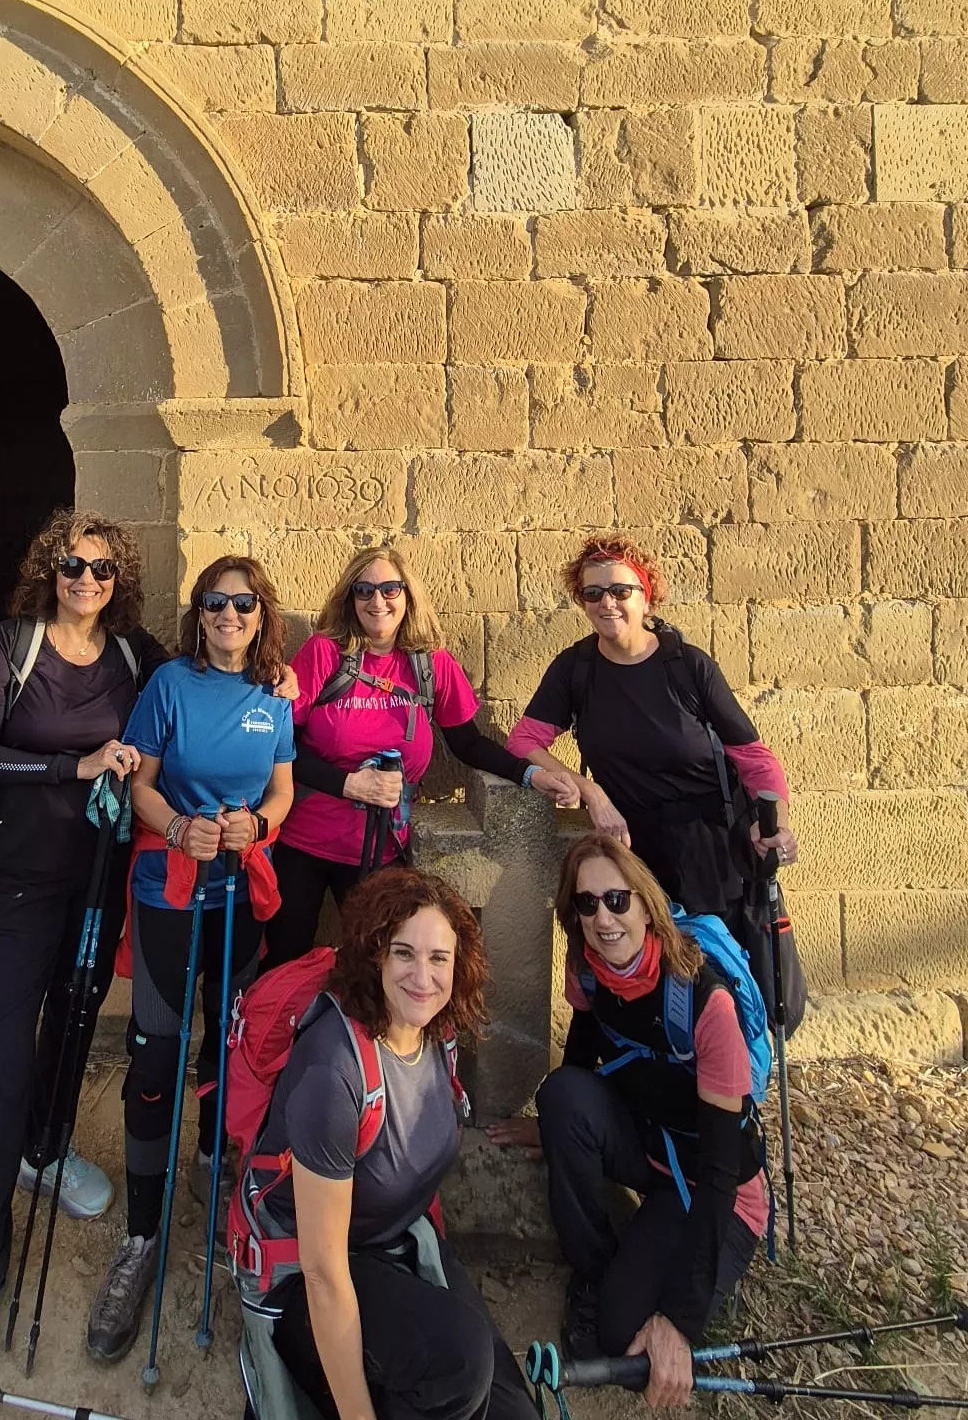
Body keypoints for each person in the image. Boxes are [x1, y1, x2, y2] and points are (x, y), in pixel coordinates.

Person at [0, 509, 168, 1408]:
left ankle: (48, 1149)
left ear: (118, 578)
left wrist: (282, 683)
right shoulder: (13, 645)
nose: (87, 580)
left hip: (99, 882)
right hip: (20, 887)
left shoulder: (136, 653)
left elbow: (214, 675)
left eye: (102, 569)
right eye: (72, 565)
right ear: (48, 568)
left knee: (72, 1024)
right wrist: (73, 767)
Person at [85, 555, 297, 1365]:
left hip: (239, 892)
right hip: (170, 890)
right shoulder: (170, 685)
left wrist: (262, 829)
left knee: (230, 1042)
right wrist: (176, 827)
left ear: (259, 612)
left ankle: (214, 1170)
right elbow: (138, 782)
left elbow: (281, 790)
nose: (229, 615)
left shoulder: (270, 696)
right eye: (216, 604)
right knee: (157, 1053)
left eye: (243, 603)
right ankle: (141, 1236)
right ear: (199, 614)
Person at [251, 867, 533, 1420]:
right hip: (305, 1287)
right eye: (404, 954)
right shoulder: (334, 1071)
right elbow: (324, 1273)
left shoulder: (435, 1031)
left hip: (395, 1242)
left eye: (438, 959)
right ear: (375, 955)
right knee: (461, 1362)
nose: (422, 977)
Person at [516, 836, 769, 1412]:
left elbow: (722, 1171)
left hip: (715, 1189)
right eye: (586, 905)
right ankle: (595, 1268)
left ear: (645, 903)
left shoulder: (705, 1004)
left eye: (616, 899)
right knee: (562, 1095)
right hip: (655, 1152)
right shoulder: (588, 970)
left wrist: (679, 1321)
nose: (604, 918)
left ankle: (648, 1282)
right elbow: (581, 1056)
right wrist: (555, 1128)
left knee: (627, 1351)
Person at [263, 544, 579, 970]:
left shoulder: (432, 666)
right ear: (349, 598)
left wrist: (530, 775)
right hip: (305, 845)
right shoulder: (326, 654)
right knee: (285, 966)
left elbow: (468, 744)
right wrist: (350, 784)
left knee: (376, 973)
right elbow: (283, 748)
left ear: (408, 595)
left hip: (381, 850)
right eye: (364, 590)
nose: (378, 601)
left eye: (390, 589)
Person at [506, 536, 796, 936]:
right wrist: (592, 793)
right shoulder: (576, 669)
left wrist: (774, 824)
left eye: (620, 590)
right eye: (593, 593)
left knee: (711, 982)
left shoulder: (689, 667)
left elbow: (755, 760)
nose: (606, 603)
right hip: (629, 854)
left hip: (708, 855)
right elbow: (523, 742)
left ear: (646, 597)